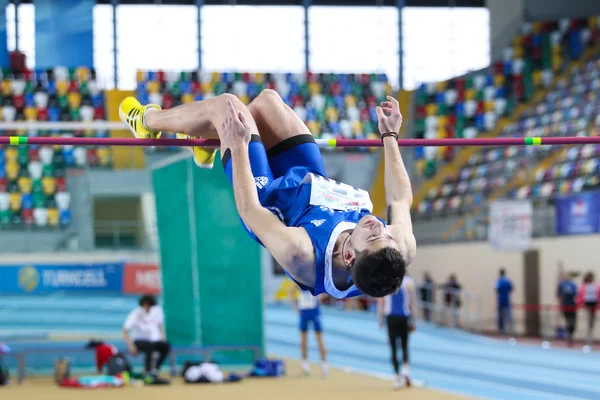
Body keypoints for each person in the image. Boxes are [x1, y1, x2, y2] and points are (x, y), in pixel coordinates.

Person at [119, 90, 416, 299]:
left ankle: (147, 122)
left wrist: (236, 147)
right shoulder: (396, 250)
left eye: (375, 236)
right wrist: (390, 136)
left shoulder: (301, 253)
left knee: (228, 108)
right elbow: (400, 199)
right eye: (387, 235)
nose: (380, 227)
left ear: (349, 255)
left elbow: (250, 210)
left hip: (268, 200)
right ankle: (205, 142)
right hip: (315, 187)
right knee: (266, 102)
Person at [377, 274, 416, 389]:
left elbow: (381, 302)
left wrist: (379, 319)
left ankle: (397, 377)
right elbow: (413, 303)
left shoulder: (385, 281)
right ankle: (406, 371)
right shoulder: (409, 282)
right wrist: (414, 320)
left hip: (391, 318)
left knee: (394, 347)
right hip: (404, 317)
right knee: (404, 346)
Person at [122, 295, 171, 376]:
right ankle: (147, 371)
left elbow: (159, 326)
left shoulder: (154, 312)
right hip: (138, 341)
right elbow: (124, 331)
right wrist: (131, 346)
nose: (150, 309)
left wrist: (163, 338)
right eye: (149, 306)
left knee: (165, 346)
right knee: (150, 347)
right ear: (145, 304)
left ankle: (155, 369)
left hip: (151, 340)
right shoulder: (136, 313)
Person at [289, 286, 328, 377]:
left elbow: (326, 290)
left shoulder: (314, 279)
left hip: (314, 311)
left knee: (319, 339)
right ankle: (305, 367)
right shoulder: (299, 279)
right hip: (304, 312)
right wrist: (295, 307)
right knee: (303, 341)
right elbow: (291, 291)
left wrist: (320, 296)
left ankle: (324, 366)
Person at [577, 272, 600, 344]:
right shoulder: (584, 286)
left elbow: (598, 295)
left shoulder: (596, 285)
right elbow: (580, 295)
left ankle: (590, 335)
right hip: (587, 305)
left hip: (594, 304)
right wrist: (580, 304)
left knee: (592, 322)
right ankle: (587, 337)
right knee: (588, 320)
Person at [556, 271, 578, 346]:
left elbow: (576, 294)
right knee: (568, 321)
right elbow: (559, 295)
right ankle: (569, 335)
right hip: (565, 306)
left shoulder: (572, 284)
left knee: (572, 322)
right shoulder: (561, 285)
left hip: (572, 306)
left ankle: (571, 334)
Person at [495, 268, 513, 334]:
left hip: (501, 299)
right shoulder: (508, 281)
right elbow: (511, 288)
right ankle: (510, 328)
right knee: (508, 314)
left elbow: (496, 289)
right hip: (507, 299)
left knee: (501, 315)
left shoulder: (498, 281)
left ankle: (501, 329)